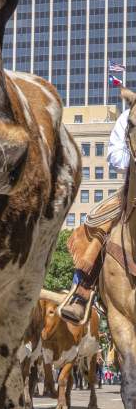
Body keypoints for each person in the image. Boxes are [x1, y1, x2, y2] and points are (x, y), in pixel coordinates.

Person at [60, 108, 130, 324]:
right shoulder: (129, 117)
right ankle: (82, 291)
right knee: (98, 218)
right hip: (132, 190)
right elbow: (115, 156)